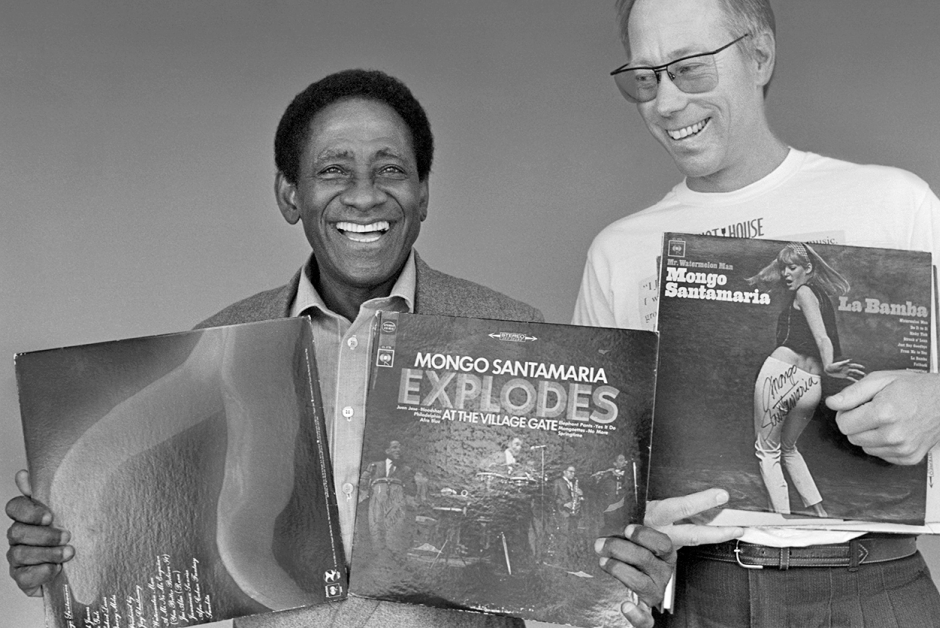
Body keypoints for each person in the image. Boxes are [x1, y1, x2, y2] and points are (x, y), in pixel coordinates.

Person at [7, 69, 678, 628]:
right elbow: (139, 511)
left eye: (391, 170)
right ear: (289, 194)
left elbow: (566, 546)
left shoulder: (514, 334)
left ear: (422, 196)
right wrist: (60, 550)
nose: (364, 194)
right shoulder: (227, 341)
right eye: (333, 170)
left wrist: (623, 578)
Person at [574, 0, 940, 626]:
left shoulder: (890, 201)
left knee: (772, 448)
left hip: (876, 585)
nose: (666, 102)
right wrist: (635, 557)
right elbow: (600, 464)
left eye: (690, 67)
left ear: (759, 56)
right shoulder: (617, 252)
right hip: (704, 596)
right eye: (644, 77)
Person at [746, 243, 865, 517]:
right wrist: (827, 367)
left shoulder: (804, 291)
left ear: (808, 268)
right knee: (788, 449)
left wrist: (830, 363)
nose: (786, 274)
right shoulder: (823, 297)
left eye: (792, 267)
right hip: (810, 384)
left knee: (767, 450)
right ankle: (820, 513)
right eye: (783, 268)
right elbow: (823, 337)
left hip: (782, 374)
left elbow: (821, 336)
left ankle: (782, 521)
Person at [359, 439, 414, 554]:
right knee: (376, 528)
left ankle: (392, 556)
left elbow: (411, 490)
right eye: (394, 447)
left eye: (399, 447)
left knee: (394, 532)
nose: (398, 450)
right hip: (376, 502)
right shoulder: (374, 466)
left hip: (396, 504)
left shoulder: (406, 470)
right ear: (387, 450)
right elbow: (363, 485)